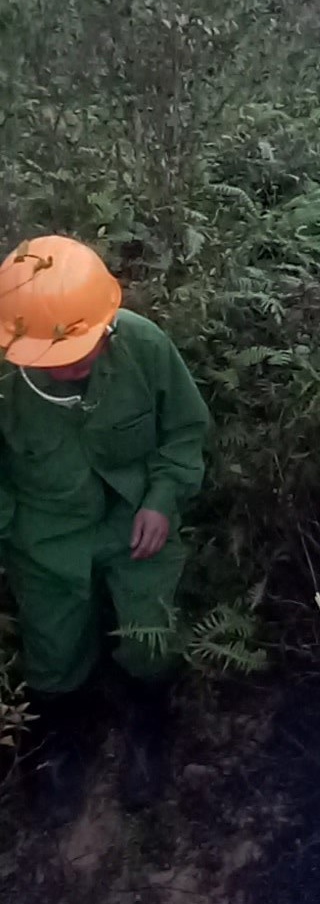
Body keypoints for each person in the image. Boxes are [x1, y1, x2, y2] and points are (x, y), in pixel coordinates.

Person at [0, 235, 211, 823]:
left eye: (90, 344)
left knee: (149, 632)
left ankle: (147, 725)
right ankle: (64, 741)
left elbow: (185, 430)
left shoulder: (142, 344)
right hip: (43, 536)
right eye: (62, 353)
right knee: (53, 645)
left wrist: (163, 499)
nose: (81, 361)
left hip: (136, 520)